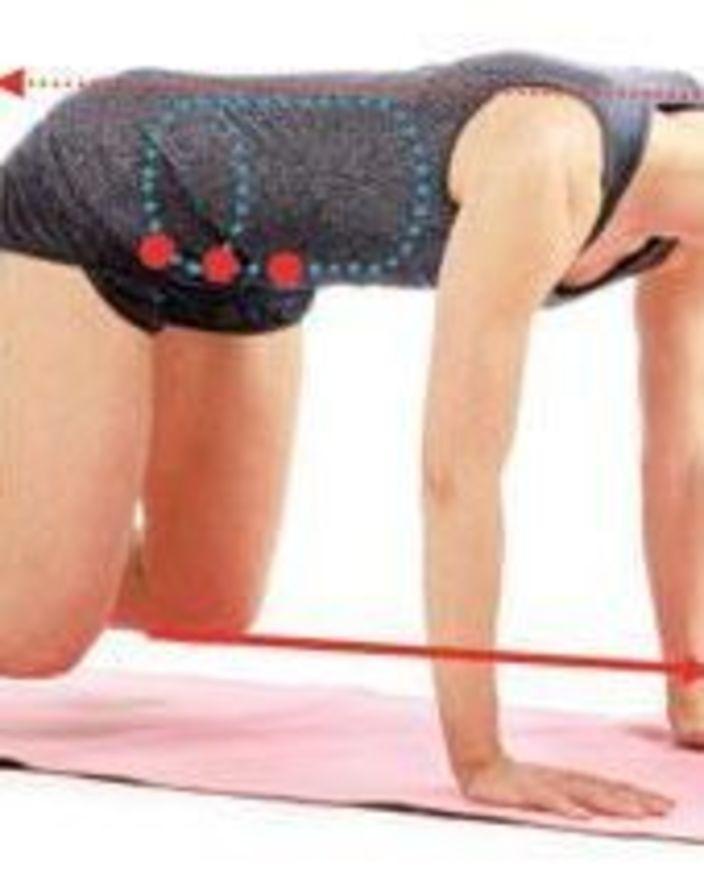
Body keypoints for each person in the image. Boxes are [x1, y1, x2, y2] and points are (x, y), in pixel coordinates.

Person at [2, 47, 703, 821]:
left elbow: (682, 461)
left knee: (201, 601)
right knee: (35, 635)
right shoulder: (550, 159)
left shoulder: (685, 210)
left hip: (244, 255)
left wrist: (690, 686)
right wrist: (481, 759)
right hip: (108, 186)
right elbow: (456, 476)